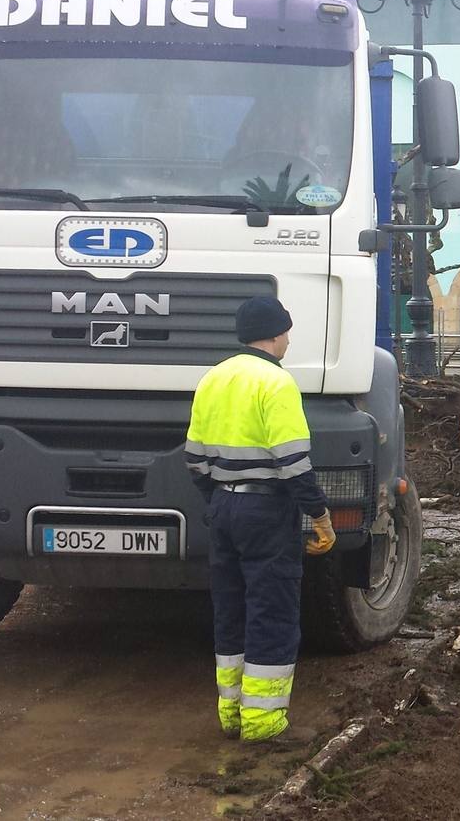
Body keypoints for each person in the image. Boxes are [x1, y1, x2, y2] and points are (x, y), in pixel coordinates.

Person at [183, 296, 332, 743]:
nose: (288, 339)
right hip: (266, 510)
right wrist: (320, 516)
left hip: (224, 507)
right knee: (272, 610)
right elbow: (293, 463)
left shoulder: (214, 378)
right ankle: (265, 725)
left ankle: (233, 715)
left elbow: (193, 457)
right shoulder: (276, 383)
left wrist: (219, 498)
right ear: (272, 334)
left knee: (230, 609)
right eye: (285, 331)